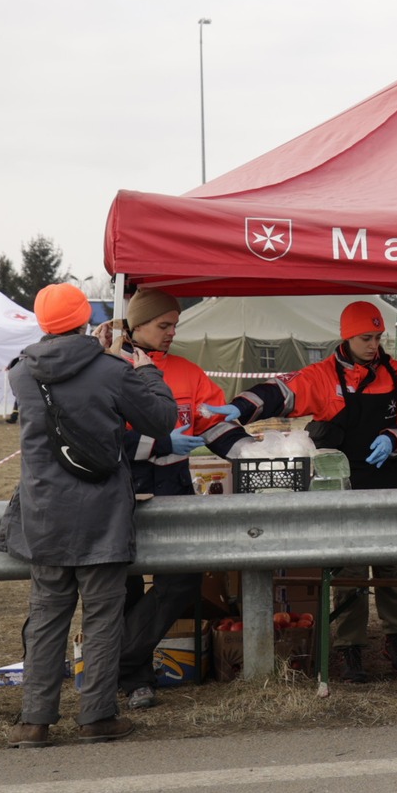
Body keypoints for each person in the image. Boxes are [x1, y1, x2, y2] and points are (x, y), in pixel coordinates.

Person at [204, 299, 397, 683]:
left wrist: (395, 439)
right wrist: (240, 408)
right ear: (346, 336)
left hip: (390, 480)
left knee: (393, 566)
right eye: (365, 337)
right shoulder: (324, 376)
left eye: (377, 337)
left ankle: (396, 637)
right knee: (350, 568)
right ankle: (349, 646)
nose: (373, 345)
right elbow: (281, 393)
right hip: (342, 484)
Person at [0, 284, 177, 747]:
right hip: (101, 510)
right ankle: (97, 716)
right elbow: (161, 421)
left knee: (46, 616)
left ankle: (35, 720)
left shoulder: (21, 373)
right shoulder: (112, 370)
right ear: (87, 318)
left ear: (41, 322)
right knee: (102, 615)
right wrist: (147, 372)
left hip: (43, 512)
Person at [111, 287, 253, 710]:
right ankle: (136, 679)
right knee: (124, 585)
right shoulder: (107, 369)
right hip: (121, 485)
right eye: (163, 325)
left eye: (175, 324)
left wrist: (253, 450)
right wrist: (152, 443)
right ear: (136, 325)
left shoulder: (188, 373)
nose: (172, 332)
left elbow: (214, 424)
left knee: (184, 579)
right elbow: (99, 436)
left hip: (174, 483)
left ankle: (117, 659)